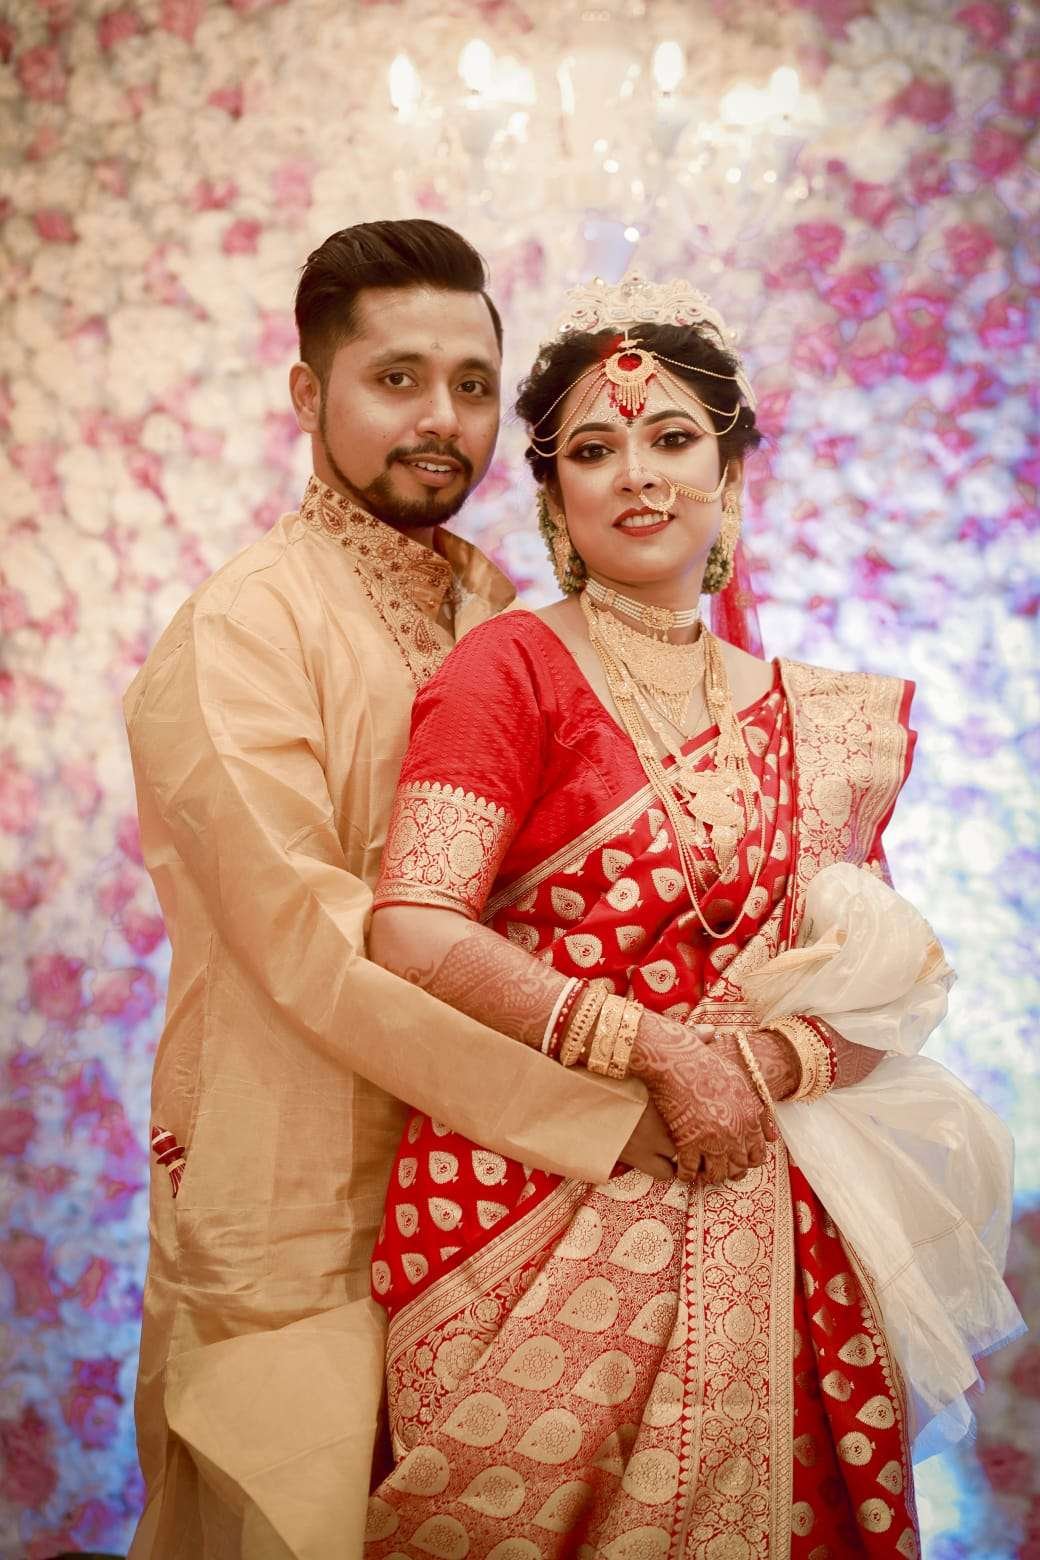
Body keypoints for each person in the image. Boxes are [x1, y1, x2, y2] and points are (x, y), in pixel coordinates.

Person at [362, 276, 1022, 1555]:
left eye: (672, 439)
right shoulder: (507, 668)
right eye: (591, 451)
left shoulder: (819, 718)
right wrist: (656, 1051)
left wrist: (756, 1066)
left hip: (766, 1194)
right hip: (537, 1183)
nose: (637, 477)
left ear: (730, 471)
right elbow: (413, 925)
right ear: (552, 494)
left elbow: (884, 982)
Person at [123, 226, 675, 1560]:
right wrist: (597, 1107)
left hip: (491, 1193)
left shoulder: (498, 609)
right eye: (397, 379)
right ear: (307, 394)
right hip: (302, 1183)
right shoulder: (244, 629)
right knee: (295, 1514)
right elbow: (312, 945)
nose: (442, 419)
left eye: (472, 385)